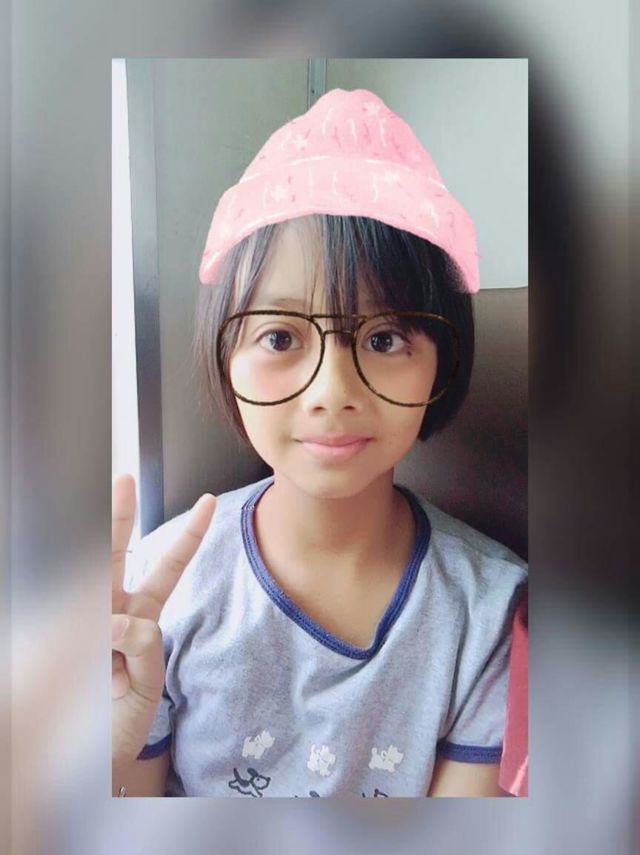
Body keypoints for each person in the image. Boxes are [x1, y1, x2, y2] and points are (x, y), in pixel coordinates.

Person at [112, 88, 528, 797]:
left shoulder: (491, 616)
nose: (332, 390)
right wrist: (105, 749)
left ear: (442, 362)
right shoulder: (154, 598)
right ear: (225, 358)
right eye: (280, 337)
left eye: (384, 337)